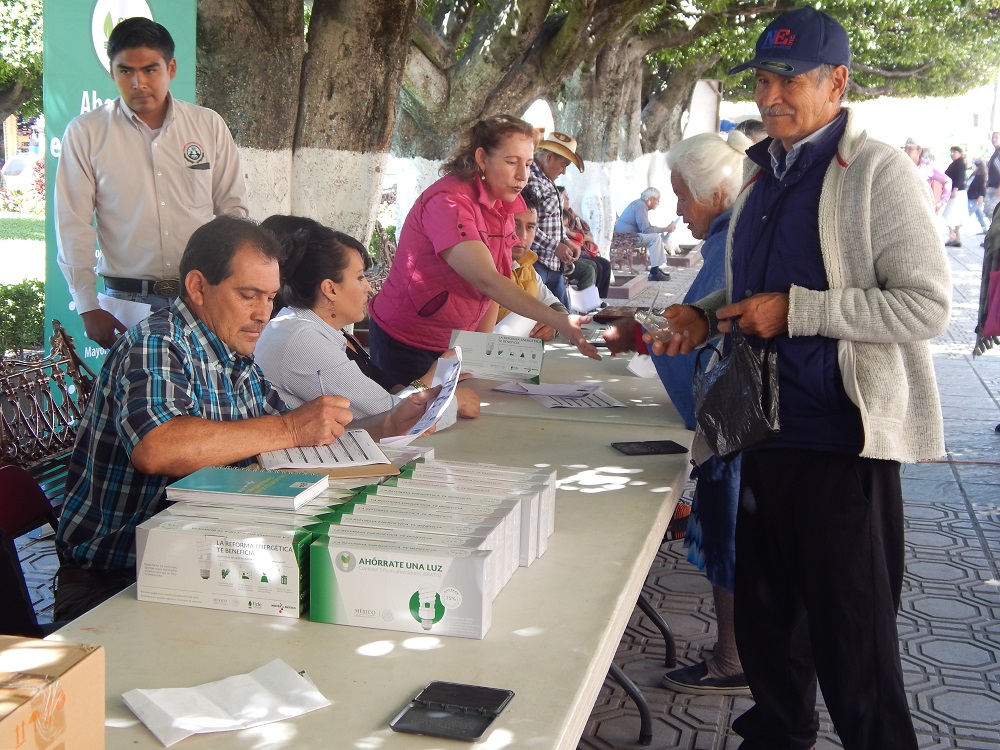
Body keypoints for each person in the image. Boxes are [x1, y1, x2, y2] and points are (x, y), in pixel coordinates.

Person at [651, 7, 950, 749]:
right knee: (768, 627)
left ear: (837, 82)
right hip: (757, 431)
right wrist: (706, 315)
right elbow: (753, 287)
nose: (773, 96)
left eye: (791, 81)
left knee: (855, 646)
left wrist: (800, 312)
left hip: (839, 438)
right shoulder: (760, 171)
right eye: (763, 79)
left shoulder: (877, 172)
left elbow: (925, 305)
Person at [53, 216, 435, 622]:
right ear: (198, 287)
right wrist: (290, 428)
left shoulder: (233, 353)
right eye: (249, 295)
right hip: (115, 584)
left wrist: (386, 425)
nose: (262, 314)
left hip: (201, 557)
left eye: (270, 298)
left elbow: (299, 435)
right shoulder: (157, 342)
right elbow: (158, 447)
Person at [603, 130, 753, 696]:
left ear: (715, 192)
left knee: (733, 536)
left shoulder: (733, 238)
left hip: (737, 422)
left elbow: (702, 338)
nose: (677, 212)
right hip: (746, 420)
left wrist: (644, 336)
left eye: (682, 197)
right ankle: (734, 652)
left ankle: (734, 657)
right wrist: (645, 335)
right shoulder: (735, 232)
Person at [55, 17, 249, 350]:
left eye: (149, 69)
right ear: (112, 72)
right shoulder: (87, 133)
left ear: (171, 67)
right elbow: (73, 224)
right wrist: (88, 305)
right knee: (137, 398)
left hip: (201, 297)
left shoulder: (208, 125)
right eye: (125, 71)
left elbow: (234, 211)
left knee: (208, 396)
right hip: (128, 303)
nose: (137, 82)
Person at [367, 116, 599, 385]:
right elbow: (487, 280)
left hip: (453, 342)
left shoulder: (502, 205)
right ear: (481, 158)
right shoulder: (449, 202)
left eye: (527, 163)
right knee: (411, 419)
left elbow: (492, 290)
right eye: (511, 162)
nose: (523, 176)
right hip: (408, 342)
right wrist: (559, 321)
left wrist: (475, 356)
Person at [253, 215, 480, 434]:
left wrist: (434, 382)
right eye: (360, 277)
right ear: (330, 289)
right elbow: (393, 417)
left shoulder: (307, 328)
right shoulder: (301, 339)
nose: (369, 288)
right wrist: (450, 394)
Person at [496, 185, 569, 340]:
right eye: (515, 225)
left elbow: (554, 305)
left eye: (530, 227)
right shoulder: (483, 268)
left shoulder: (526, 266)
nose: (522, 236)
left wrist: (554, 326)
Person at [525, 131, 587, 305]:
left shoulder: (546, 180)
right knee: (537, 317)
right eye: (563, 165)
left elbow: (550, 222)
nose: (564, 171)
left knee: (561, 317)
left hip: (553, 264)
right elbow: (526, 227)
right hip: (537, 262)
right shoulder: (532, 181)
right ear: (550, 157)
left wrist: (565, 241)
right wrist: (555, 246)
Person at [614, 188, 678, 281]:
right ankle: (654, 272)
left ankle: (656, 269)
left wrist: (663, 229)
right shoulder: (640, 206)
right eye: (657, 199)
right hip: (626, 238)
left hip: (627, 236)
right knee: (655, 238)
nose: (658, 202)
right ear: (650, 199)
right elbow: (646, 230)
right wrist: (665, 229)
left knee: (656, 237)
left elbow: (646, 228)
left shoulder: (639, 204)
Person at [559, 186, 612, 298]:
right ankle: (588, 301)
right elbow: (569, 236)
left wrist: (581, 238)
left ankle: (598, 298)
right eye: (565, 196)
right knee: (593, 267)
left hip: (582, 251)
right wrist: (581, 238)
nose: (568, 198)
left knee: (605, 264)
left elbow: (589, 236)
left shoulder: (573, 215)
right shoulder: (557, 216)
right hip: (571, 254)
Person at [942, 146, 970, 247]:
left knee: (948, 214)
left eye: (955, 152)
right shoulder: (957, 163)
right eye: (952, 152)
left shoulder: (959, 163)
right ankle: (956, 236)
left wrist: (955, 189)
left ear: (959, 153)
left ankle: (953, 235)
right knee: (957, 214)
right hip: (957, 191)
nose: (953, 154)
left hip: (957, 191)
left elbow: (960, 177)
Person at [968, 158, 990, 233]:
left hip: (975, 197)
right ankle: (984, 228)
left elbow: (982, 187)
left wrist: (981, 196)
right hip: (971, 196)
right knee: (979, 214)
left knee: (968, 212)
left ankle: (958, 227)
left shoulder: (981, 176)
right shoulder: (974, 175)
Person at [985, 131, 1000, 218]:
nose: (993, 139)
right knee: (989, 210)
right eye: (992, 137)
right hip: (992, 186)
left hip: (996, 188)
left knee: (991, 210)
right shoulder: (995, 153)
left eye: (996, 137)